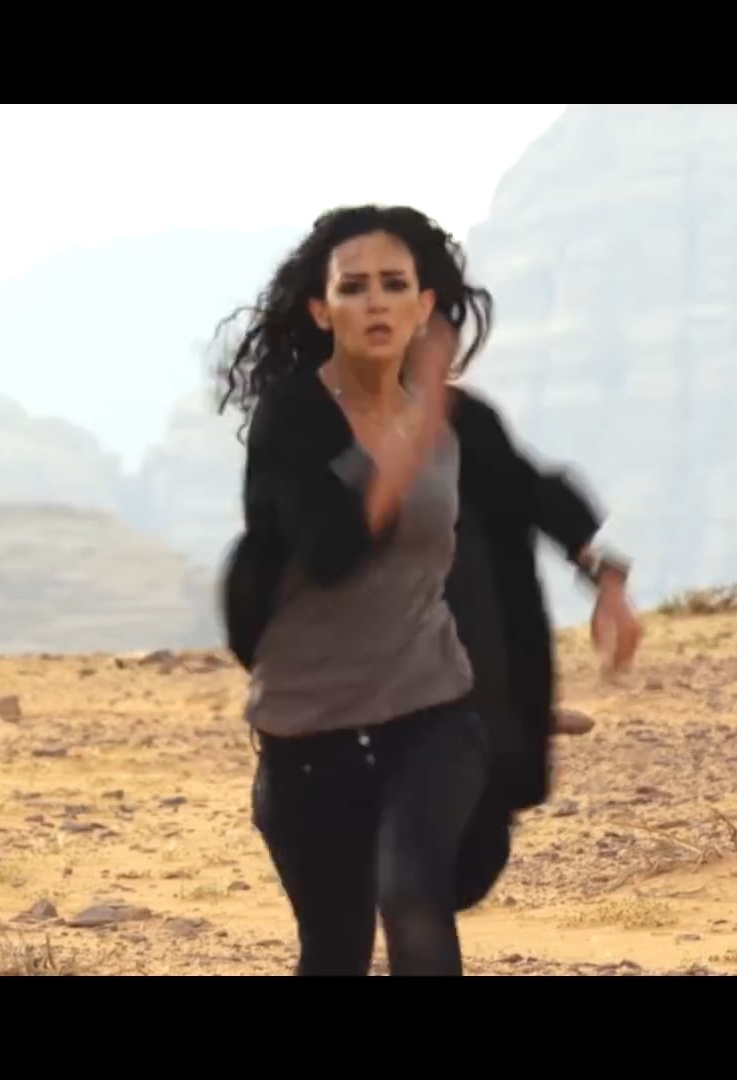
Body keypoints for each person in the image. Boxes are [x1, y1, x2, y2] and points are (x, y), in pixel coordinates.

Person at [214, 204, 642, 976]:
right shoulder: (293, 419)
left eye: (394, 284)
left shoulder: (458, 420)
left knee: (414, 900)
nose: (375, 302)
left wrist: (605, 579)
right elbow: (329, 548)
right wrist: (411, 435)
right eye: (353, 287)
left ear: (423, 305)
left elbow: (529, 494)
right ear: (322, 310)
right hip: (306, 728)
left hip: (431, 710)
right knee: (334, 950)